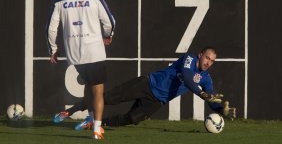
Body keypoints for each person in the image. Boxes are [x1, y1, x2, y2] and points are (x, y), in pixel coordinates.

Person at [54, 47, 236, 129]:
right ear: (200, 55)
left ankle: (94, 123)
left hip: (158, 100)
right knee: (108, 98)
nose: (208, 62)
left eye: (212, 61)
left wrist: (220, 109)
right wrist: (202, 93)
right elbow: (188, 79)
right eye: (207, 58)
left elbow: (210, 98)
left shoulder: (206, 78)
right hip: (147, 84)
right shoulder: (189, 59)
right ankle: (70, 111)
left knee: (132, 118)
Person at [46, 0, 115, 139]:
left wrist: (53, 49)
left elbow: (51, 29)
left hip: (74, 55)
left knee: (88, 85)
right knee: (98, 91)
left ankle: (90, 119)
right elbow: (109, 21)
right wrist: (108, 35)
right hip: (94, 51)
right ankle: (97, 129)